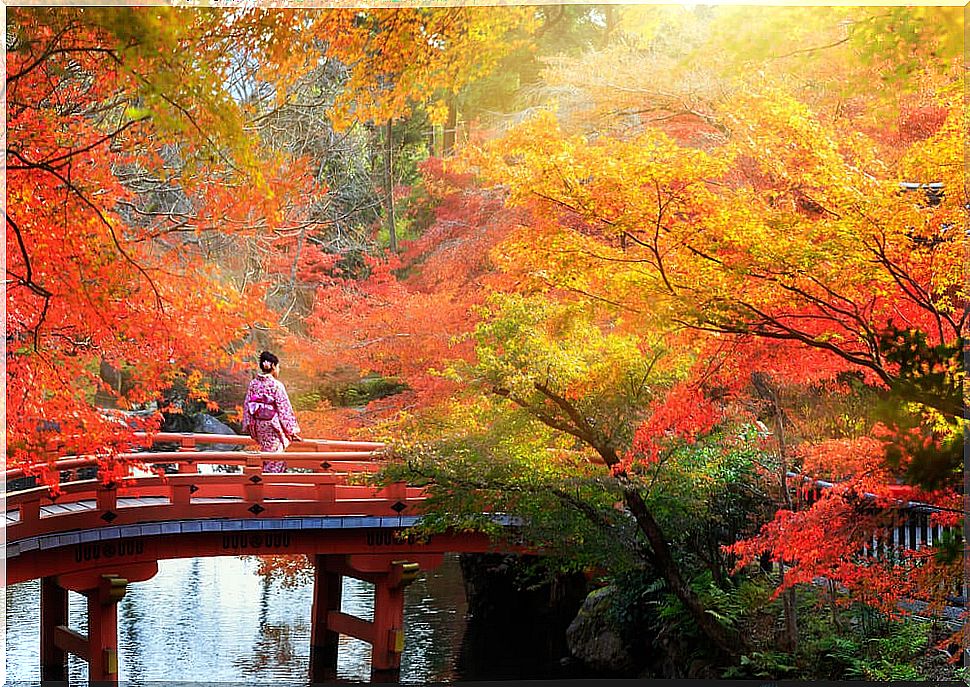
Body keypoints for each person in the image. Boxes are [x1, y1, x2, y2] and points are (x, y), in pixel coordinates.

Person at [241, 351, 302, 473]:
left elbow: (247, 405)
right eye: (278, 367)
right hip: (272, 427)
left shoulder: (253, 384)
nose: (278, 370)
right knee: (275, 456)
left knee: (267, 454)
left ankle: (266, 481)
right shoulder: (276, 385)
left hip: (258, 426)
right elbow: (284, 408)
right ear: (273, 366)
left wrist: (249, 426)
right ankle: (270, 484)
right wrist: (292, 431)